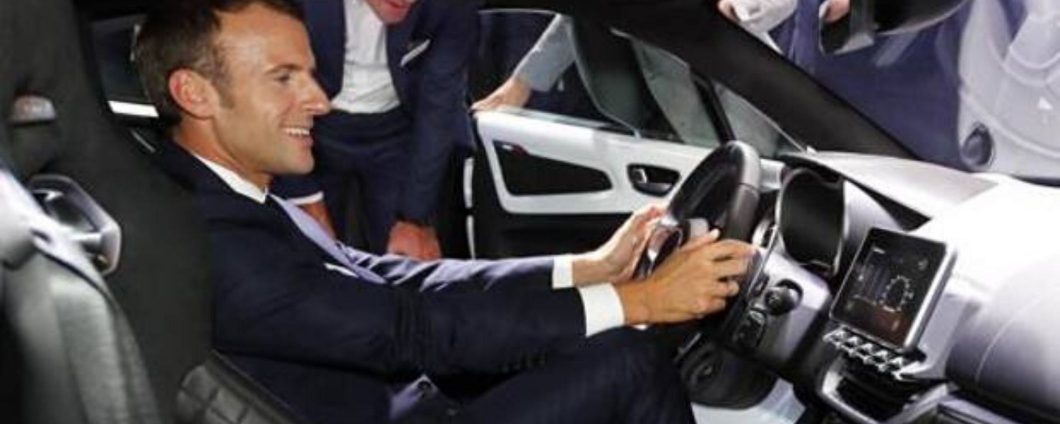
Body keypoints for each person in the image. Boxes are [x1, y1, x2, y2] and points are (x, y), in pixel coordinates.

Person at [134, 0, 756, 422]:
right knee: (629, 362)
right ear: (195, 93)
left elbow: (391, 277)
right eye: (284, 78)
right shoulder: (208, 237)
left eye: (311, 74)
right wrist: (639, 302)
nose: (320, 100)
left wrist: (585, 268)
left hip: (401, 400)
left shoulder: (228, 195)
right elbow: (412, 330)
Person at [272, 0, 479, 260]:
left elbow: (439, 103)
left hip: (402, 129)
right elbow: (270, 91)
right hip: (308, 125)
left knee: (409, 263)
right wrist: (304, 199)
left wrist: (415, 218)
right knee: (305, 254)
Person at [473, 0, 797, 151]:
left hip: (743, 104)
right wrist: (522, 83)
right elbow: (582, 10)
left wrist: (737, 8)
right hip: (670, 114)